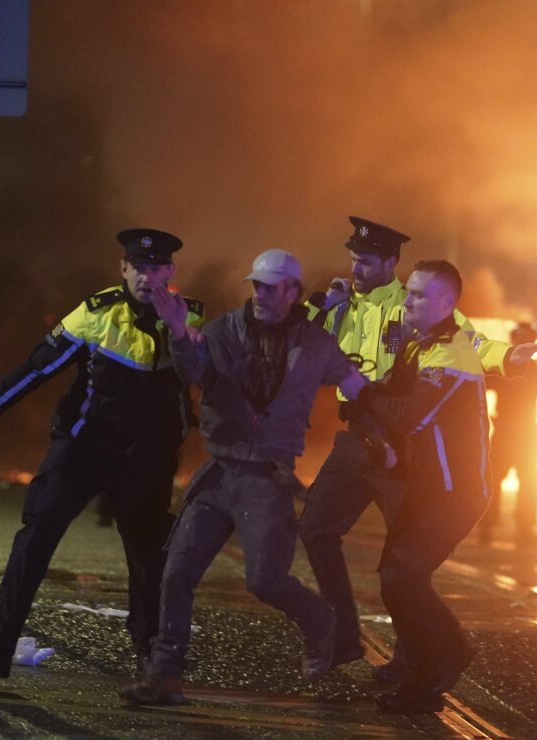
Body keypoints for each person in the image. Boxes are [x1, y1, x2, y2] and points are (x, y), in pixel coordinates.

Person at [0, 228, 204, 679]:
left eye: (157, 268)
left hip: (147, 457)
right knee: (36, 533)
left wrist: (179, 330)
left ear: (171, 272)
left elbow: (206, 379)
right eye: (138, 267)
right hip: (84, 446)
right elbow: (39, 365)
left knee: (148, 557)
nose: (147, 277)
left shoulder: (192, 318)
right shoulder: (94, 313)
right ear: (123, 268)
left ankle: (152, 658)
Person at [120, 249, 374, 706]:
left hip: (267, 476)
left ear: (293, 292)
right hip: (219, 471)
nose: (259, 294)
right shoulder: (223, 330)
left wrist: (391, 424)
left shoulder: (315, 343)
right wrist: (178, 331)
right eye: (256, 285)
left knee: (266, 581)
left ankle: (320, 620)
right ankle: (165, 672)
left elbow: (355, 387)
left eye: (270, 288)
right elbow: (192, 373)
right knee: (176, 571)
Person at [300, 218, 520, 675]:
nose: (357, 268)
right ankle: (341, 639)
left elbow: (471, 343)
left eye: (367, 261)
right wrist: (323, 308)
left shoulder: (415, 302)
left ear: (389, 264)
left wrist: (508, 358)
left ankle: (410, 657)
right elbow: (296, 336)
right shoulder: (339, 302)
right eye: (354, 259)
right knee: (316, 530)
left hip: (401, 446)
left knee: (400, 564)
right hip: (357, 434)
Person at [344, 260, 537, 712]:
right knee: (396, 578)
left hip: (457, 490)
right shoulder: (424, 339)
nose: (407, 301)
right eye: (408, 292)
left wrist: (360, 389)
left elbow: (405, 415)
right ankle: (428, 664)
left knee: (402, 575)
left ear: (448, 304)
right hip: (426, 485)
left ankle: (442, 663)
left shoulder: (450, 355)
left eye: (418, 296)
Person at [479, 322, 537, 547]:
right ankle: (487, 527)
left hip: (526, 433)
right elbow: (478, 386)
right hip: (505, 430)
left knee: (529, 479)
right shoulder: (502, 367)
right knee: (494, 478)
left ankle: (524, 530)